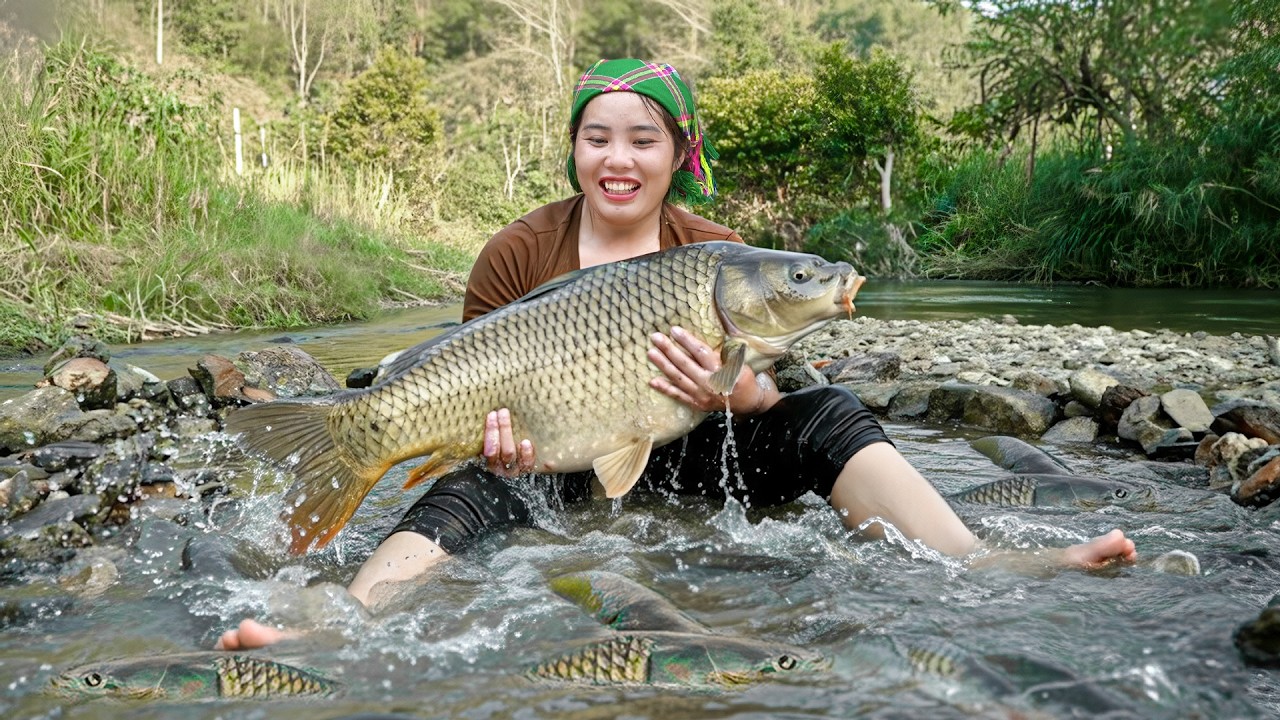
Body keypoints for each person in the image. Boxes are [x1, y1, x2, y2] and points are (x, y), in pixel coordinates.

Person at [216, 59, 1136, 651]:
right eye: (597, 137)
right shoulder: (518, 251)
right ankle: (338, 625)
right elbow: (467, 378)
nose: (618, 158)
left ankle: (980, 560)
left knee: (830, 418)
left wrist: (729, 389)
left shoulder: (716, 253)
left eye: (642, 139)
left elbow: (773, 404)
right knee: (464, 482)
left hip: (688, 453)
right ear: (575, 148)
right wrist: (491, 442)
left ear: (677, 152)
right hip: (554, 456)